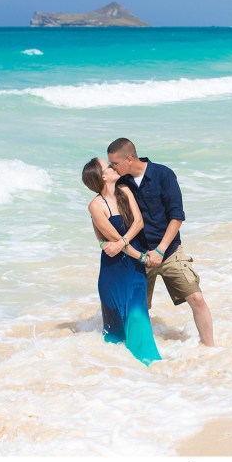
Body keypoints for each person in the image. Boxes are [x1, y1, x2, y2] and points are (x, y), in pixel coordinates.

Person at [106, 138, 214, 347]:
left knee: (197, 299)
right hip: (138, 255)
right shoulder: (121, 183)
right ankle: (134, 352)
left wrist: (161, 250)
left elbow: (177, 216)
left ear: (129, 159)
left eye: (115, 164)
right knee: (136, 309)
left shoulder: (163, 174)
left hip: (169, 250)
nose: (113, 167)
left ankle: (210, 349)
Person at [81, 157, 161, 366]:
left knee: (137, 316)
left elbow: (139, 222)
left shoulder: (125, 191)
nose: (113, 166)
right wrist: (141, 257)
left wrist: (124, 243)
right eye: (108, 166)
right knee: (115, 331)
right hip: (114, 271)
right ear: (103, 176)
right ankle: (120, 375)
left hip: (133, 268)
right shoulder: (96, 206)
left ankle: (150, 366)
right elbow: (112, 239)